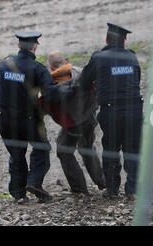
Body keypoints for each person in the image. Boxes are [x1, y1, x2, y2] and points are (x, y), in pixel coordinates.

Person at [0, 32, 74, 203]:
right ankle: (34, 182)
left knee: (16, 155)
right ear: (35, 47)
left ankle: (18, 194)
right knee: (42, 148)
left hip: (4, 119)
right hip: (28, 119)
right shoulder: (38, 69)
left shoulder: (4, 64)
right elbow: (52, 95)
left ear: (18, 46)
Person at [78, 23, 144, 200]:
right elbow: (136, 79)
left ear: (106, 40)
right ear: (124, 42)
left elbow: (83, 82)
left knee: (111, 149)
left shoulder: (99, 57)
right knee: (132, 150)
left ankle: (112, 189)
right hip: (134, 110)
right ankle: (133, 190)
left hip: (111, 110)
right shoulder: (132, 57)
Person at [44, 51, 106, 195]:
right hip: (89, 118)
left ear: (51, 67)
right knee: (88, 147)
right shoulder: (80, 71)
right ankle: (103, 182)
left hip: (71, 124)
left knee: (64, 150)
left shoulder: (51, 81)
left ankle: (79, 189)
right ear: (65, 61)